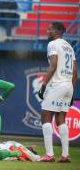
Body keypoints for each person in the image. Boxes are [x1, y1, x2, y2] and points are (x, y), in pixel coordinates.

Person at [37, 22, 77, 162]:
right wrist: (71, 90)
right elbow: (74, 72)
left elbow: (53, 65)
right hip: (68, 85)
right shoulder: (69, 47)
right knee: (61, 119)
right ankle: (65, 155)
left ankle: (49, 154)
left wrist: (43, 85)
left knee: (45, 116)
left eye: (50, 29)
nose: (47, 31)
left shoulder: (53, 44)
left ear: (57, 31)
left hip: (58, 84)